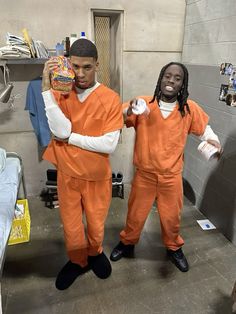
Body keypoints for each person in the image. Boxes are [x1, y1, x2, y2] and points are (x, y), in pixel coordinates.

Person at [110, 62, 222, 272]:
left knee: (171, 218)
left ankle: (173, 248)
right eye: (167, 76)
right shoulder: (144, 104)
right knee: (135, 214)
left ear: (182, 84)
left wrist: (213, 140)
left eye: (177, 78)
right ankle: (127, 243)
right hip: (145, 175)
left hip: (171, 177)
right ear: (161, 78)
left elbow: (204, 129)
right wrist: (128, 109)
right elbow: (117, 117)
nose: (171, 81)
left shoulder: (188, 109)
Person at [41, 38, 123, 290]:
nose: (80, 74)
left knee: (97, 222)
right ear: (67, 64)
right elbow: (59, 129)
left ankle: (95, 252)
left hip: (96, 176)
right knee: (71, 223)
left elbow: (109, 144)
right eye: (75, 66)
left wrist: (71, 138)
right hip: (68, 174)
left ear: (97, 64)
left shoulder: (110, 98)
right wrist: (46, 88)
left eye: (87, 67)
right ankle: (77, 260)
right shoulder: (60, 92)